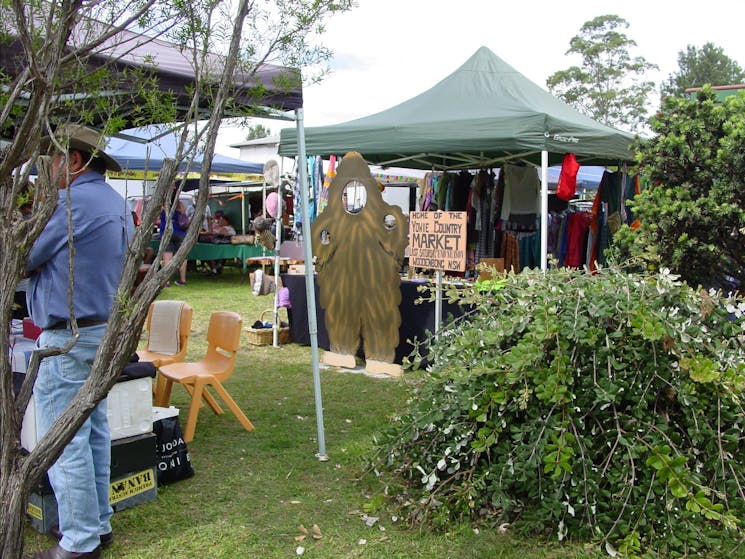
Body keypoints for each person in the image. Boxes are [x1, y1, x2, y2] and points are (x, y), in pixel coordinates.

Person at [26, 124, 133, 559]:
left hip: (70, 337)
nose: (42, 172)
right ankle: (97, 524)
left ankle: (80, 541)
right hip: (101, 332)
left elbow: (23, 255)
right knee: (91, 433)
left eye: (47, 162)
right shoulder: (113, 200)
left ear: (71, 161)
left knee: (67, 439)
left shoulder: (71, 203)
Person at [159, 189, 189, 286]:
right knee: (182, 258)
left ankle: (166, 281)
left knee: (167, 258)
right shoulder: (179, 204)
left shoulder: (163, 205)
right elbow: (184, 216)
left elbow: (157, 218)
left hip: (167, 233)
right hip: (180, 233)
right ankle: (182, 280)